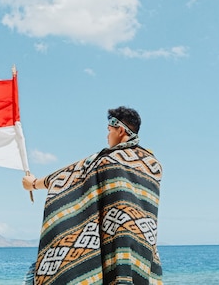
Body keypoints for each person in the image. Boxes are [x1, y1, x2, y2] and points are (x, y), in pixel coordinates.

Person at [22, 106, 163, 284]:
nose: (107, 136)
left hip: (114, 241)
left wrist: (34, 183)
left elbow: (70, 174)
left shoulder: (107, 160)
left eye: (109, 130)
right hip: (142, 246)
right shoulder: (154, 165)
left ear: (120, 130)